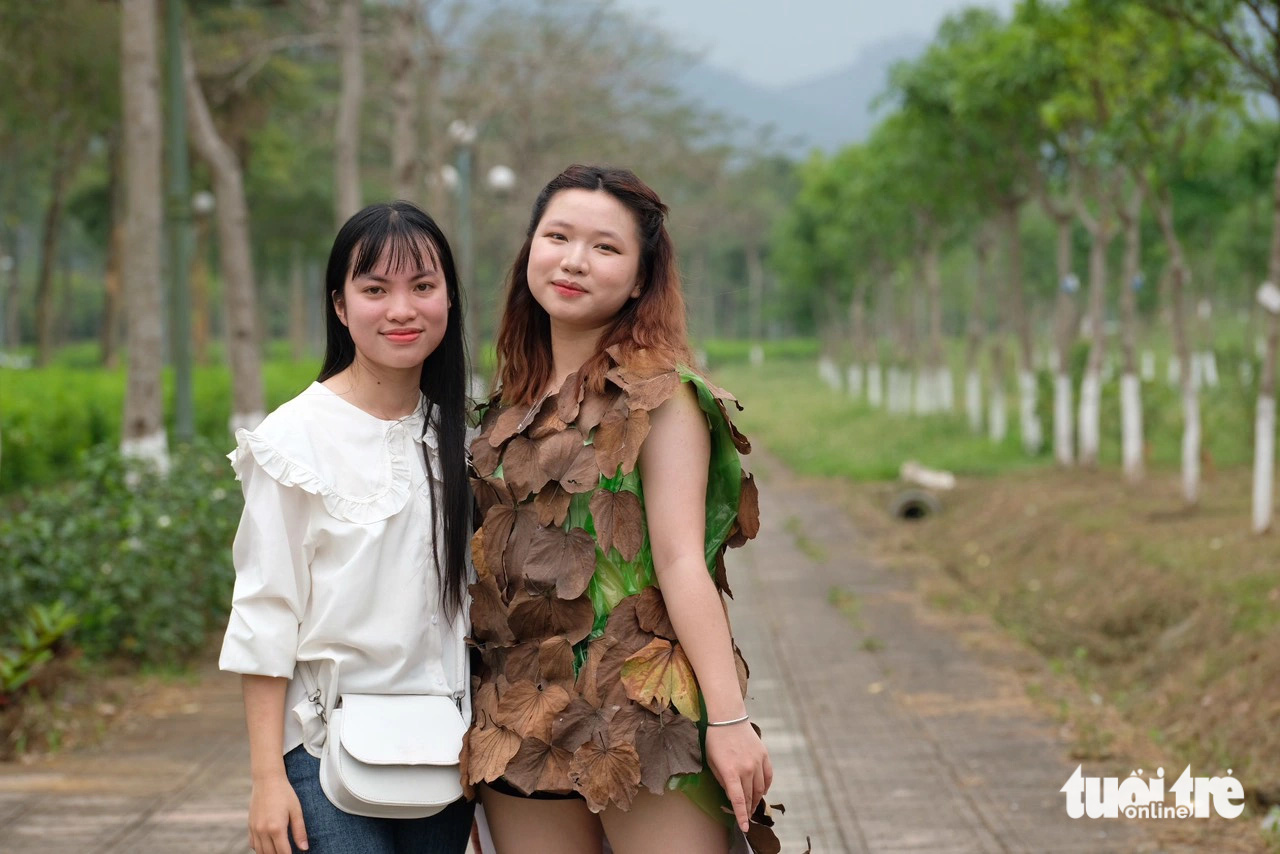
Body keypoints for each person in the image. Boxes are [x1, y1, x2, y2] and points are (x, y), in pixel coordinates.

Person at [463, 165, 778, 853]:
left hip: (638, 708)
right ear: (530, 253)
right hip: (521, 711)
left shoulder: (660, 400)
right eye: (557, 236)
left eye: (605, 247)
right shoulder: (501, 412)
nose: (574, 260)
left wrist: (729, 721)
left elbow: (678, 561)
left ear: (640, 279)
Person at [219, 201, 475, 854]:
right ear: (339, 305)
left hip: (443, 746)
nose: (401, 309)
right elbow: (265, 613)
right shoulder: (294, 439)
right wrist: (265, 777)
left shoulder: (462, 438)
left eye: (422, 287)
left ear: (449, 298)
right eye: (374, 289)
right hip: (322, 745)